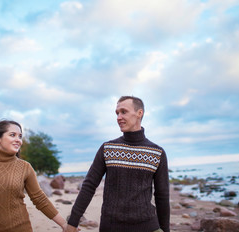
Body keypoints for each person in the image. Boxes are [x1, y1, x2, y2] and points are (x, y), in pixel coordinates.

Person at [65, 96, 170, 232]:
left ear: (139, 113)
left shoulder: (157, 153)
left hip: (147, 226)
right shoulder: (108, 148)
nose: (118, 117)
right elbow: (89, 185)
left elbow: (162, 196)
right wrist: (73, 222)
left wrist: (166, 229)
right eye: (117, 113)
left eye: (123, 112)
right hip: (111, 227)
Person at [0, 120, 74, 232]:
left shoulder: (25, 167)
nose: (18, 140)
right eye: (12, 135)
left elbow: (40, 199)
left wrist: (64, 225)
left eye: (20, 136)